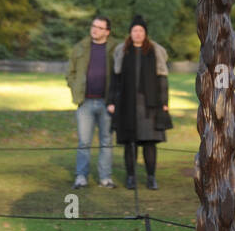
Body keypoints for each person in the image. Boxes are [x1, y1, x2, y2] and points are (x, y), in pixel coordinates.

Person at [110, 15, 171, 190]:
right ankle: (131, 177)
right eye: (134, 30)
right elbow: (116, 79)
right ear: (130, 33)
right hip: (127, 104)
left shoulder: (155, 50)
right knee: (130, 142)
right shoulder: (122, 50)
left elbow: (162, 79)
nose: (137, 33)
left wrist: (164, 102)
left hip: (149, 104)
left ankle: (151, 177)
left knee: (149, 142)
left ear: (145, 33)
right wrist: (112, 101)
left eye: (141, 30)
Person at [66, 15, 116, 189]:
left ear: (107, 32)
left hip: (107, 103)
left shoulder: (115, 48)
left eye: (100, 27)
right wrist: (75, 89)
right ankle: (81, 177)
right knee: (84, 142)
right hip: (85, 103)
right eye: (93, 26)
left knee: (106, 141)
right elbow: (70, 73)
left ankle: (105, 178)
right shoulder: (80, 47)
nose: (95, 29)